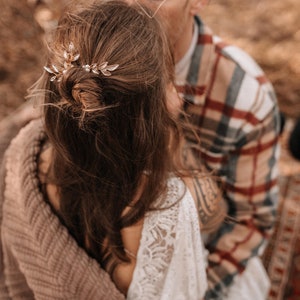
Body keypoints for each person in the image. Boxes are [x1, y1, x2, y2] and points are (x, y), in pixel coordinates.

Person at [0, 1, 225, 299]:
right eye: (168, 82)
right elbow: (215, 221)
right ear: (144, 118)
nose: (177, 97)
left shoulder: (25, 153)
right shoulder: (162, 207)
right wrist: (173, 150)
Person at [124, 0, 281, 299]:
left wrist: (195, 290)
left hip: (201, 250)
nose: (136, 4)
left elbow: (249, 223)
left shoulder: (247, 99)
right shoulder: (94, 63)